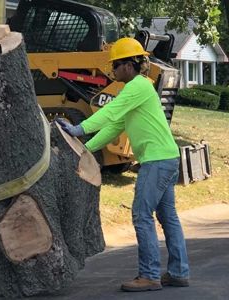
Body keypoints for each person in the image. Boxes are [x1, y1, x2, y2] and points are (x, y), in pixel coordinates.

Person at [57, 37, 190, 292]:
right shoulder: (138, 89)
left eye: (115, 66)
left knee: (142, 215)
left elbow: (111, 111)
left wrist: (78, 128)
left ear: (128, 65)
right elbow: (115, 125)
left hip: (157, 161)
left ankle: (150, 275)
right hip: (166, 158)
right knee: (168, 217)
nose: (112, 71)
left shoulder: (137, 86)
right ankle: (178, 272)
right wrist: (87, 148)